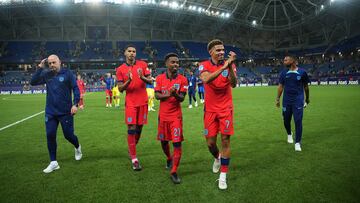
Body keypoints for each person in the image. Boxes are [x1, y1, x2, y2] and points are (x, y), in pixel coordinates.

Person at [30, 54, 82, 174]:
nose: (52, 65)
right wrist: (40, 67)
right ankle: (54, 162)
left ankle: (77, 146)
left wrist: (75, 104)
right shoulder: (46, 74)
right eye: (50, 63)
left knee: (68, 135)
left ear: (60, 62)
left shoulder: (67, 74)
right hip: (50, 112)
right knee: (50, 134)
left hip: (65, 112)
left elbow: (75, 88)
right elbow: (33, 82)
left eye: (54, 62)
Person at [198, 39, 237, 190]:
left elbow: (233, 83)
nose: (221, 52)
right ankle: (217, 157)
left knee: (225, 141)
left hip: (226, 109)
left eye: (222, 49)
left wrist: (230, 67)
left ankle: (223, 176)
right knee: (210, 143)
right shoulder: (204, 65)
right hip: (210, 110)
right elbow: (206, 79)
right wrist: (224, 67)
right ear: (211, 52)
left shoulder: (230, 65)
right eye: (218, 50)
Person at [116, 44, 153, 171]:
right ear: (125, 53)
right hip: (130, 102)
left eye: (134, 51)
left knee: (139, 128)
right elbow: (120, 88)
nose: (132, 53)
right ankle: (134, 158)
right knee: (131, 127)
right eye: (129, 51)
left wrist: (142, 77)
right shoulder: (120, 69)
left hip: (143, 101)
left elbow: (150, 81)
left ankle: (131, 148)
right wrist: (129, 81)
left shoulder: (142, 64)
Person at [155, 53, 188, 184]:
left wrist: (175, 95)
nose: (176, 65)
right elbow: (157, 96)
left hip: (176, 117)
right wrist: (170, 93)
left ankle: (174, 171)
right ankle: (169, 158)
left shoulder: (183, 80)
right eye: (173, 62)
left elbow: (182, 98)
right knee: (163, 142)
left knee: (177, 143)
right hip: (163, 116)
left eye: (177, 62)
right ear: (166, 64)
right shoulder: (159, 78)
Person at [276, 55, 310, 152]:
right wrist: (278, 99)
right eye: (284, 59)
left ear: (293, 60)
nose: (284, 61)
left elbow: (306, 87)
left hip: (298, 101)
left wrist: (307, 99)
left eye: (286, 60)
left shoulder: (302, 72)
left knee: (298, 121)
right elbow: (280, 87)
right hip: (286, 101)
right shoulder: (283, 73)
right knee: (286, 120)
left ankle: (297, 142)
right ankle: (289, 134)